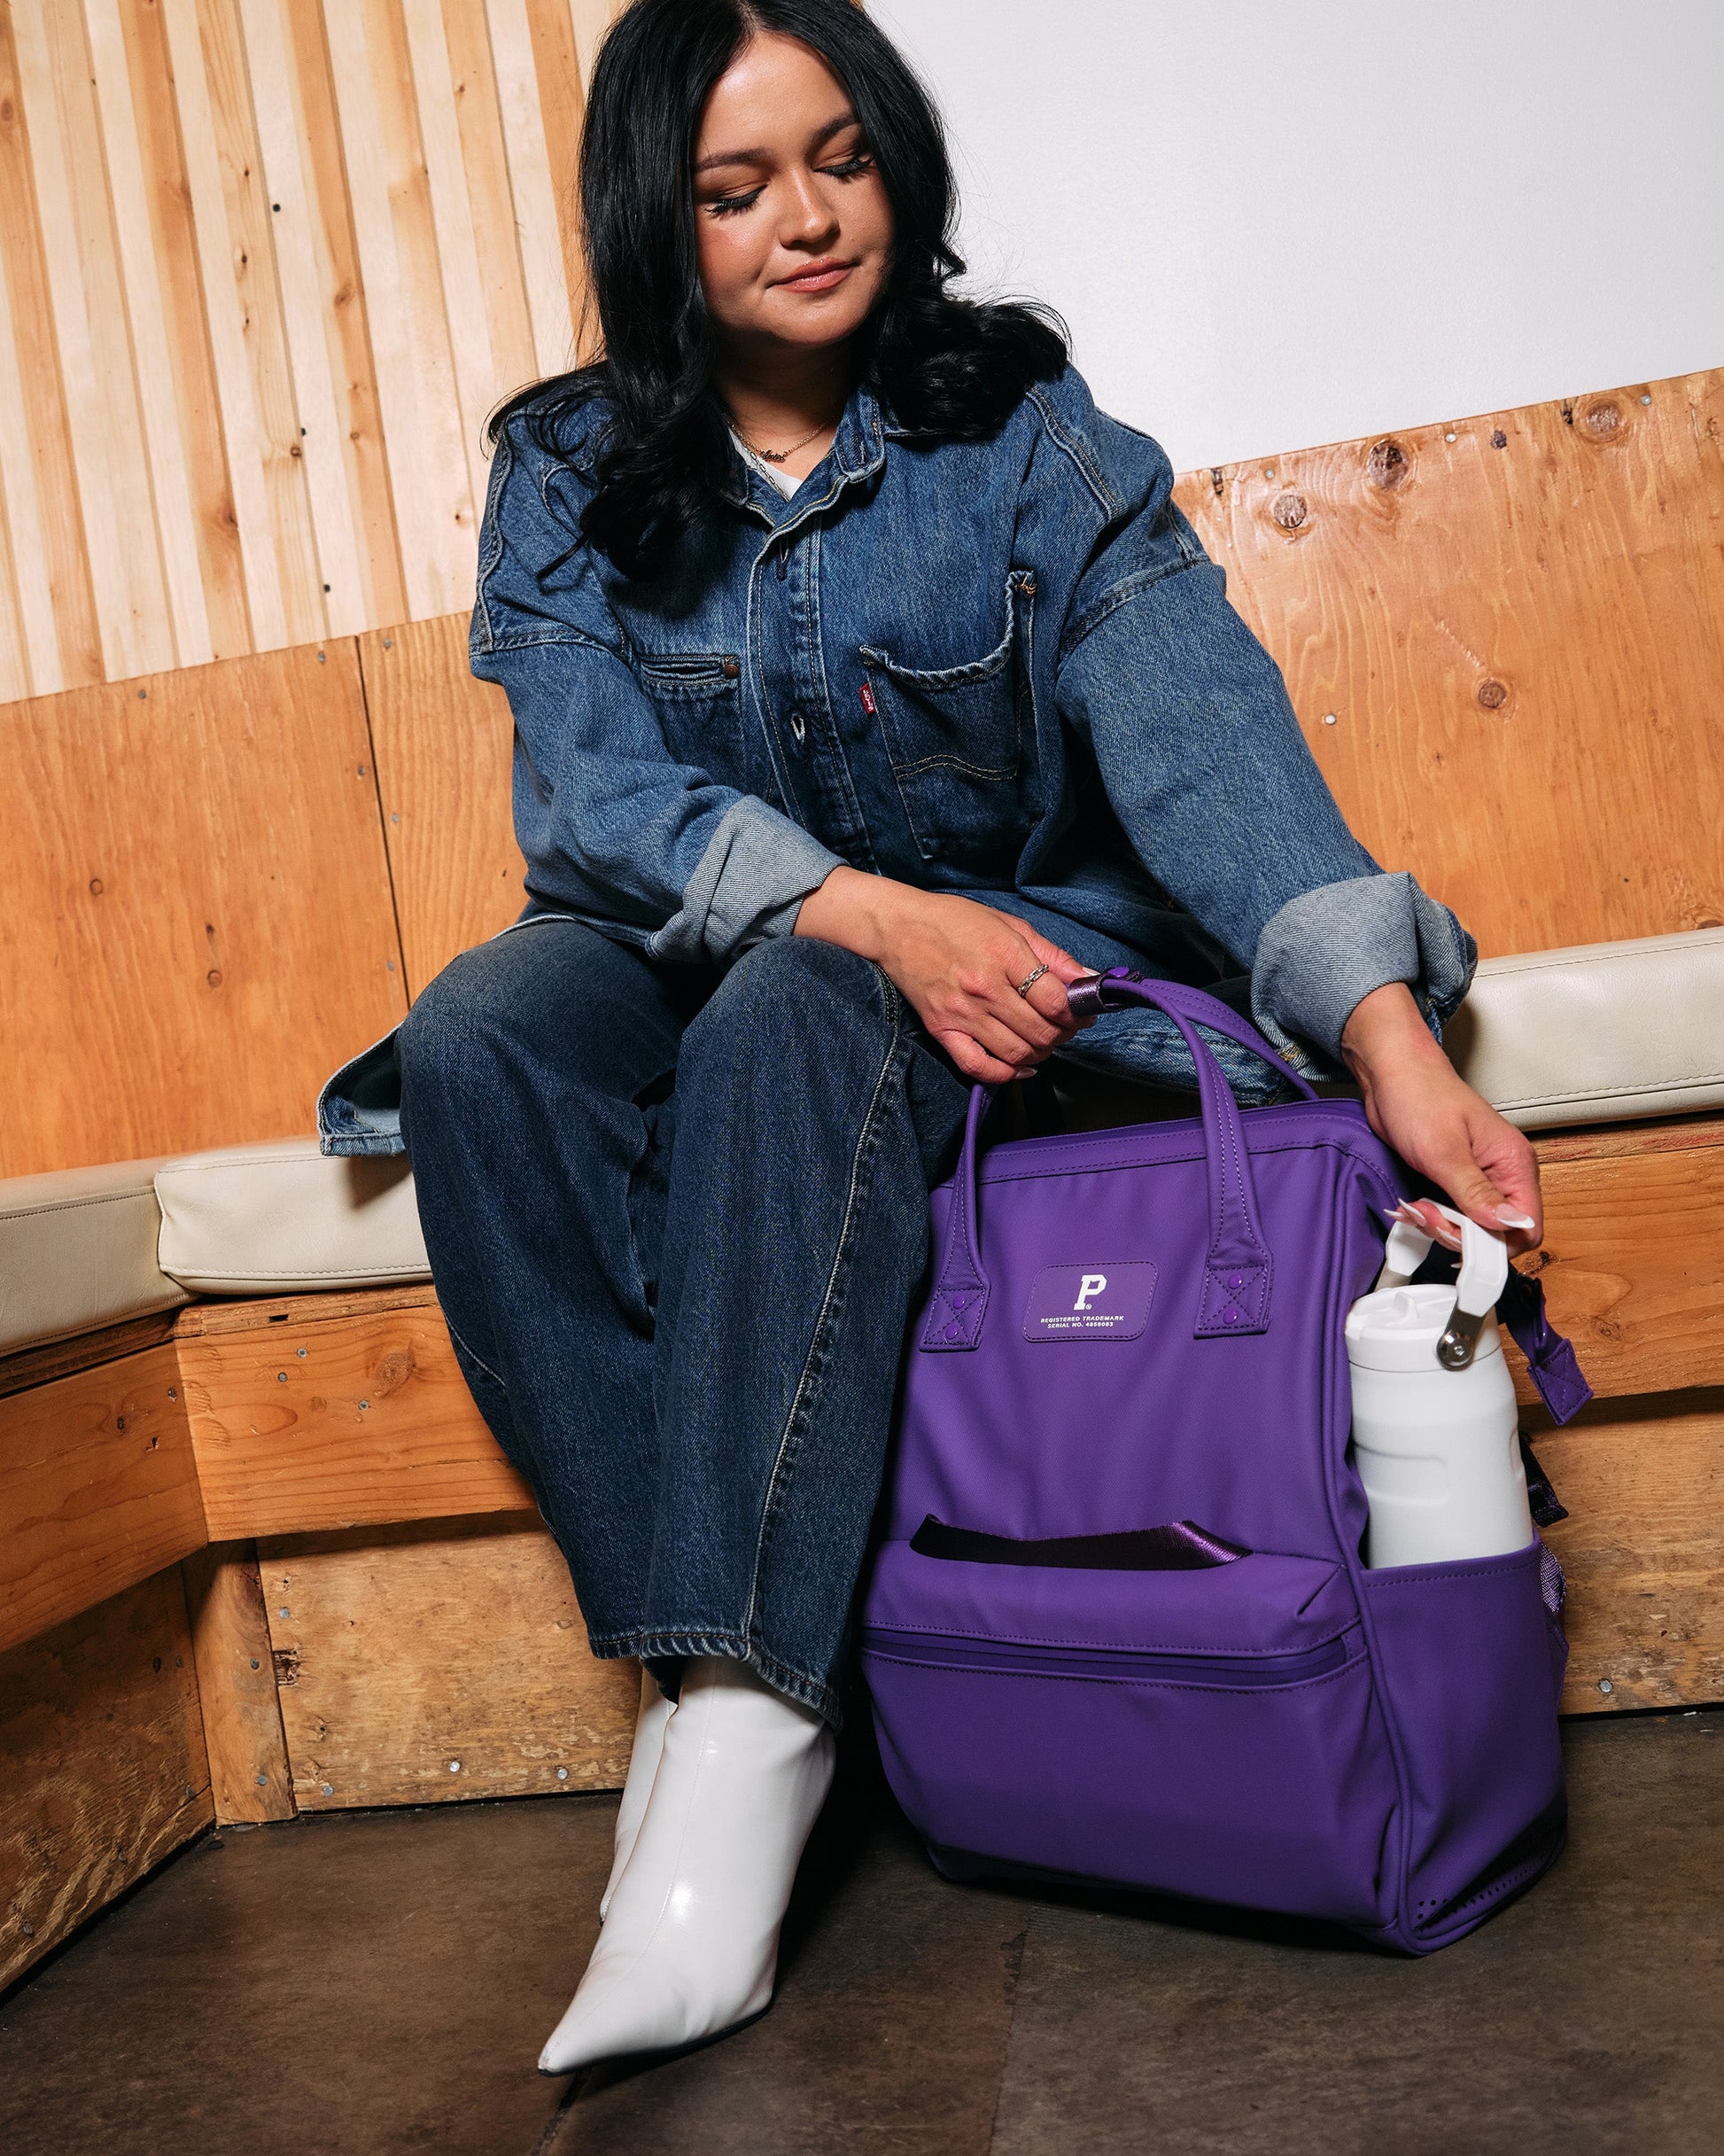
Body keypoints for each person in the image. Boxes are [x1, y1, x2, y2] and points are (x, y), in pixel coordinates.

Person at [317, 0, 1541, 2075]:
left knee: (799, 1002)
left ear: (895, 159)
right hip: (697, 941)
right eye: (734, 188)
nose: (804, 218)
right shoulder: (565, 468)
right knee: (475, 1039)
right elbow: (595, 805)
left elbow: (1200, 735)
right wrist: (874, 907)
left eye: (840, 159)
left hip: (966, 984)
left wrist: (1386, 1032)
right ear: (657, 218)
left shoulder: (1018, 428)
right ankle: (709, 1675)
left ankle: (742, 1737)